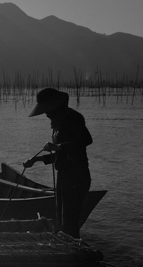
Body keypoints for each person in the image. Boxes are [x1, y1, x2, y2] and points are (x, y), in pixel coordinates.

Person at [23, 88, 93, 238]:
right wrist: (37, 159)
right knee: (62, 219)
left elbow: (86, 140)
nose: (46, 114)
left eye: (48, 110)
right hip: (64, 175)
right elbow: (61, 155)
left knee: (69, 221)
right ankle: (68, 245)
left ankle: (73, 252)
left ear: (56, 106)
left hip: (76, 176)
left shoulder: (73, 119)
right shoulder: (58, 122)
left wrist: (58, 147)